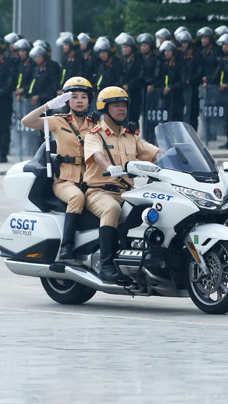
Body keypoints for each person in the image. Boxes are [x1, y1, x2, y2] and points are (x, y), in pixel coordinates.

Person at [83, 87, 161, 283]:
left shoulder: (131, 136)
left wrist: (178, 158)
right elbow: (97, 155)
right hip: (99, 192)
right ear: (104, 108)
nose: (121, 109)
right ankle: (106, 266)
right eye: (116, 105)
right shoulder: (95, 134)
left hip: (127, 192)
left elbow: (155, 152)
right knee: (111, 209)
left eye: (124, 105)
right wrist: (110, 167)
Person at [20, 77, 97, 260]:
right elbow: (27, 121)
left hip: (90, 179)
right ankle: (66, 247)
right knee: (76, 197)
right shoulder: (57, 121)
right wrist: (47, 106)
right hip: (65, 180)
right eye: (74, 96)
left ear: (89, 100)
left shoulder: (96, 125)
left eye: (84, 97)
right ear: (67, 100)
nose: (79, 100)